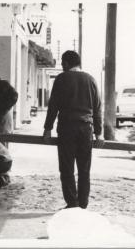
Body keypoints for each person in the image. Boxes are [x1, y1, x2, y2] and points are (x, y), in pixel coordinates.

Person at [43, 50, 103, 209]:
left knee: (67, 167)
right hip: (86, 129)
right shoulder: (91, 80)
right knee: (84, 169)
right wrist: (99, 133)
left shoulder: (62, 79)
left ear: (67, 63)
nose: (62, 66)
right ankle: (83, 204)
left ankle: (72, 203)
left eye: (63, 63)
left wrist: (47, 129)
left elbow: (53, 106)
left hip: (67, 128)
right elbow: (97, 109)